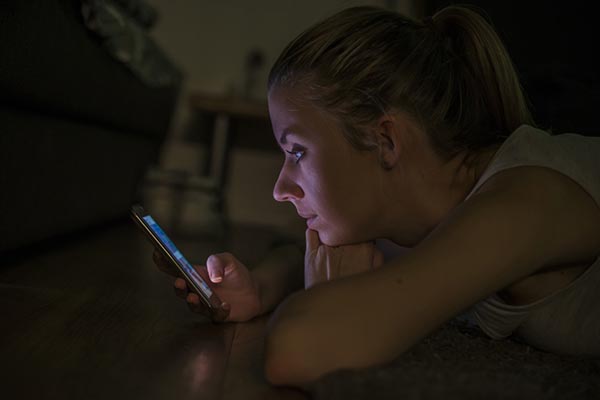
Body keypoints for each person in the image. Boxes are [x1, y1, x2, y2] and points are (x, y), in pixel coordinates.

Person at [153, 5, 600, 387]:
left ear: (386, 141)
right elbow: (298, 254)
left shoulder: (523, 204)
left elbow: (297, 349)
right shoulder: (435, 200)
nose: (279, 189)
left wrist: (329, 297)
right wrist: (260, 286)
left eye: (297, 151)